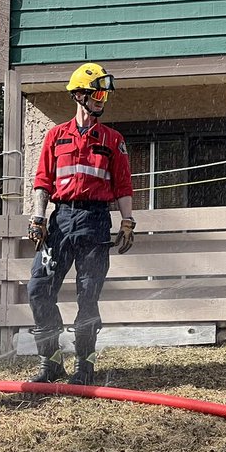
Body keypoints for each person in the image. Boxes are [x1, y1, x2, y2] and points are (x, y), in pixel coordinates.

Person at [26, 63, 135, 387]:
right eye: (97, 92)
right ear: (78, 95)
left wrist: (127, 221)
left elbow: (123, 187)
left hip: (95, 221)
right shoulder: (55, 136)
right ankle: (52, 361)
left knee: (88, 295)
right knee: (39, 288)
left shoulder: (113, 140)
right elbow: (43, 181)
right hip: (60, 220)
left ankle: (85, 364)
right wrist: (38, 218)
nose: (103, 99)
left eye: (105, 94)